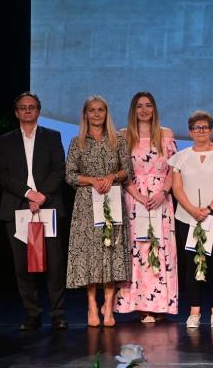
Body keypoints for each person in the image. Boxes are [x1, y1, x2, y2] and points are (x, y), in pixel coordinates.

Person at [0, 91, 68, 330]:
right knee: (22, 265)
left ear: (38, 111)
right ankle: (32, 313)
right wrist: (28, 194)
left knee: (55, 264)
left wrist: (42, 195)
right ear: (16, 112)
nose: (27, 110)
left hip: (48, 205)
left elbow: (59, 169)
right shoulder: (6, 140)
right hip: (17, 206)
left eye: (32, 107)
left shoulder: (52, 136)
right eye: (23, 107)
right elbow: (2, 174)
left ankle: (57, 314)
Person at [65, 95, 132, 328]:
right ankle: (92, 305)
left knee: (111, 252)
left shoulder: (118, 139)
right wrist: (92, 180)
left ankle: (109, 307)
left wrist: (112, 177)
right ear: (85, 114)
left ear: (106, 113)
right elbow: (70, 175)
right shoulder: (77, 142)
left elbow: (127, 171)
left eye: (100, 109)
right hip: (86, 204)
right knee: (90, 255)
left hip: (111, 201)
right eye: (92, 110)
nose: (96, 114)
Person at [114, 92, 179, 323]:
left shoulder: (166, 134)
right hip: (134, 200)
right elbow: (121, 171)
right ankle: (140, 305)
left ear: (154, 109)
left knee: (159, 250)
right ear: (133, 109)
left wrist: (163, 192)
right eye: (139, 106)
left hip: (161, 200)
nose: (144, 110)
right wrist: (138, 196)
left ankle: (159, 304)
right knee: (137, 251)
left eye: (148, 105)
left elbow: (174, 169)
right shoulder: (123, 135)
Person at [168, 111, 213, 328]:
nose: (201, 131)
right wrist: (192, 210)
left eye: (205, 127)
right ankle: (194, 311)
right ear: (190, 132)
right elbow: (177, 188)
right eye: (197, 128)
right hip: (188, 218)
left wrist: (209, 208)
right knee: (191, 264)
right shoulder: (181, 157)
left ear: (211, 130)